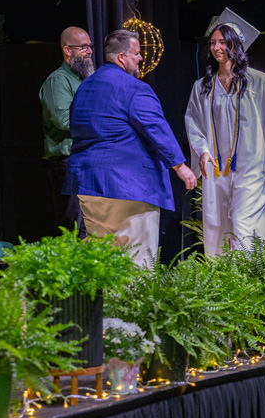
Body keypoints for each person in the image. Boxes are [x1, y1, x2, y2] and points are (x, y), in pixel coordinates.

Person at [64, 29, 197, 267]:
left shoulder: (84, 87)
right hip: (130, 188)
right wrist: (180, 166)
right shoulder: (135, 88)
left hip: (89, 187)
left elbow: (74, 128)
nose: (141, 58)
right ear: (122, 57)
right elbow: (156, 128)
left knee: (105, 264)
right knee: (138, 262)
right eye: (136, 54)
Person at [185, 10, 265, 254]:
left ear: (236, 45)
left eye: (223, 42)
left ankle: (248, 273)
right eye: (213, 43)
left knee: (242, 222)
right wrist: (202, 151)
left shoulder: (259, 82)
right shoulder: (202, 87)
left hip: (251, 167)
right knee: (218, 225)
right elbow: (193, 123)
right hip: (217, 169)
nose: (216, 48)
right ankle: (226, 276)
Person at [39, 26, 95, 238]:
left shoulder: (85, 79)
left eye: (90, 46)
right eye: (83, 47)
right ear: (67, 50)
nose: (89, 51)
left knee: (90, 226)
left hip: (87, 161)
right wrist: (100, 120)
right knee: (72, 226)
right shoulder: (58, 80)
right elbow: (63, 120)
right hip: (67, 163)